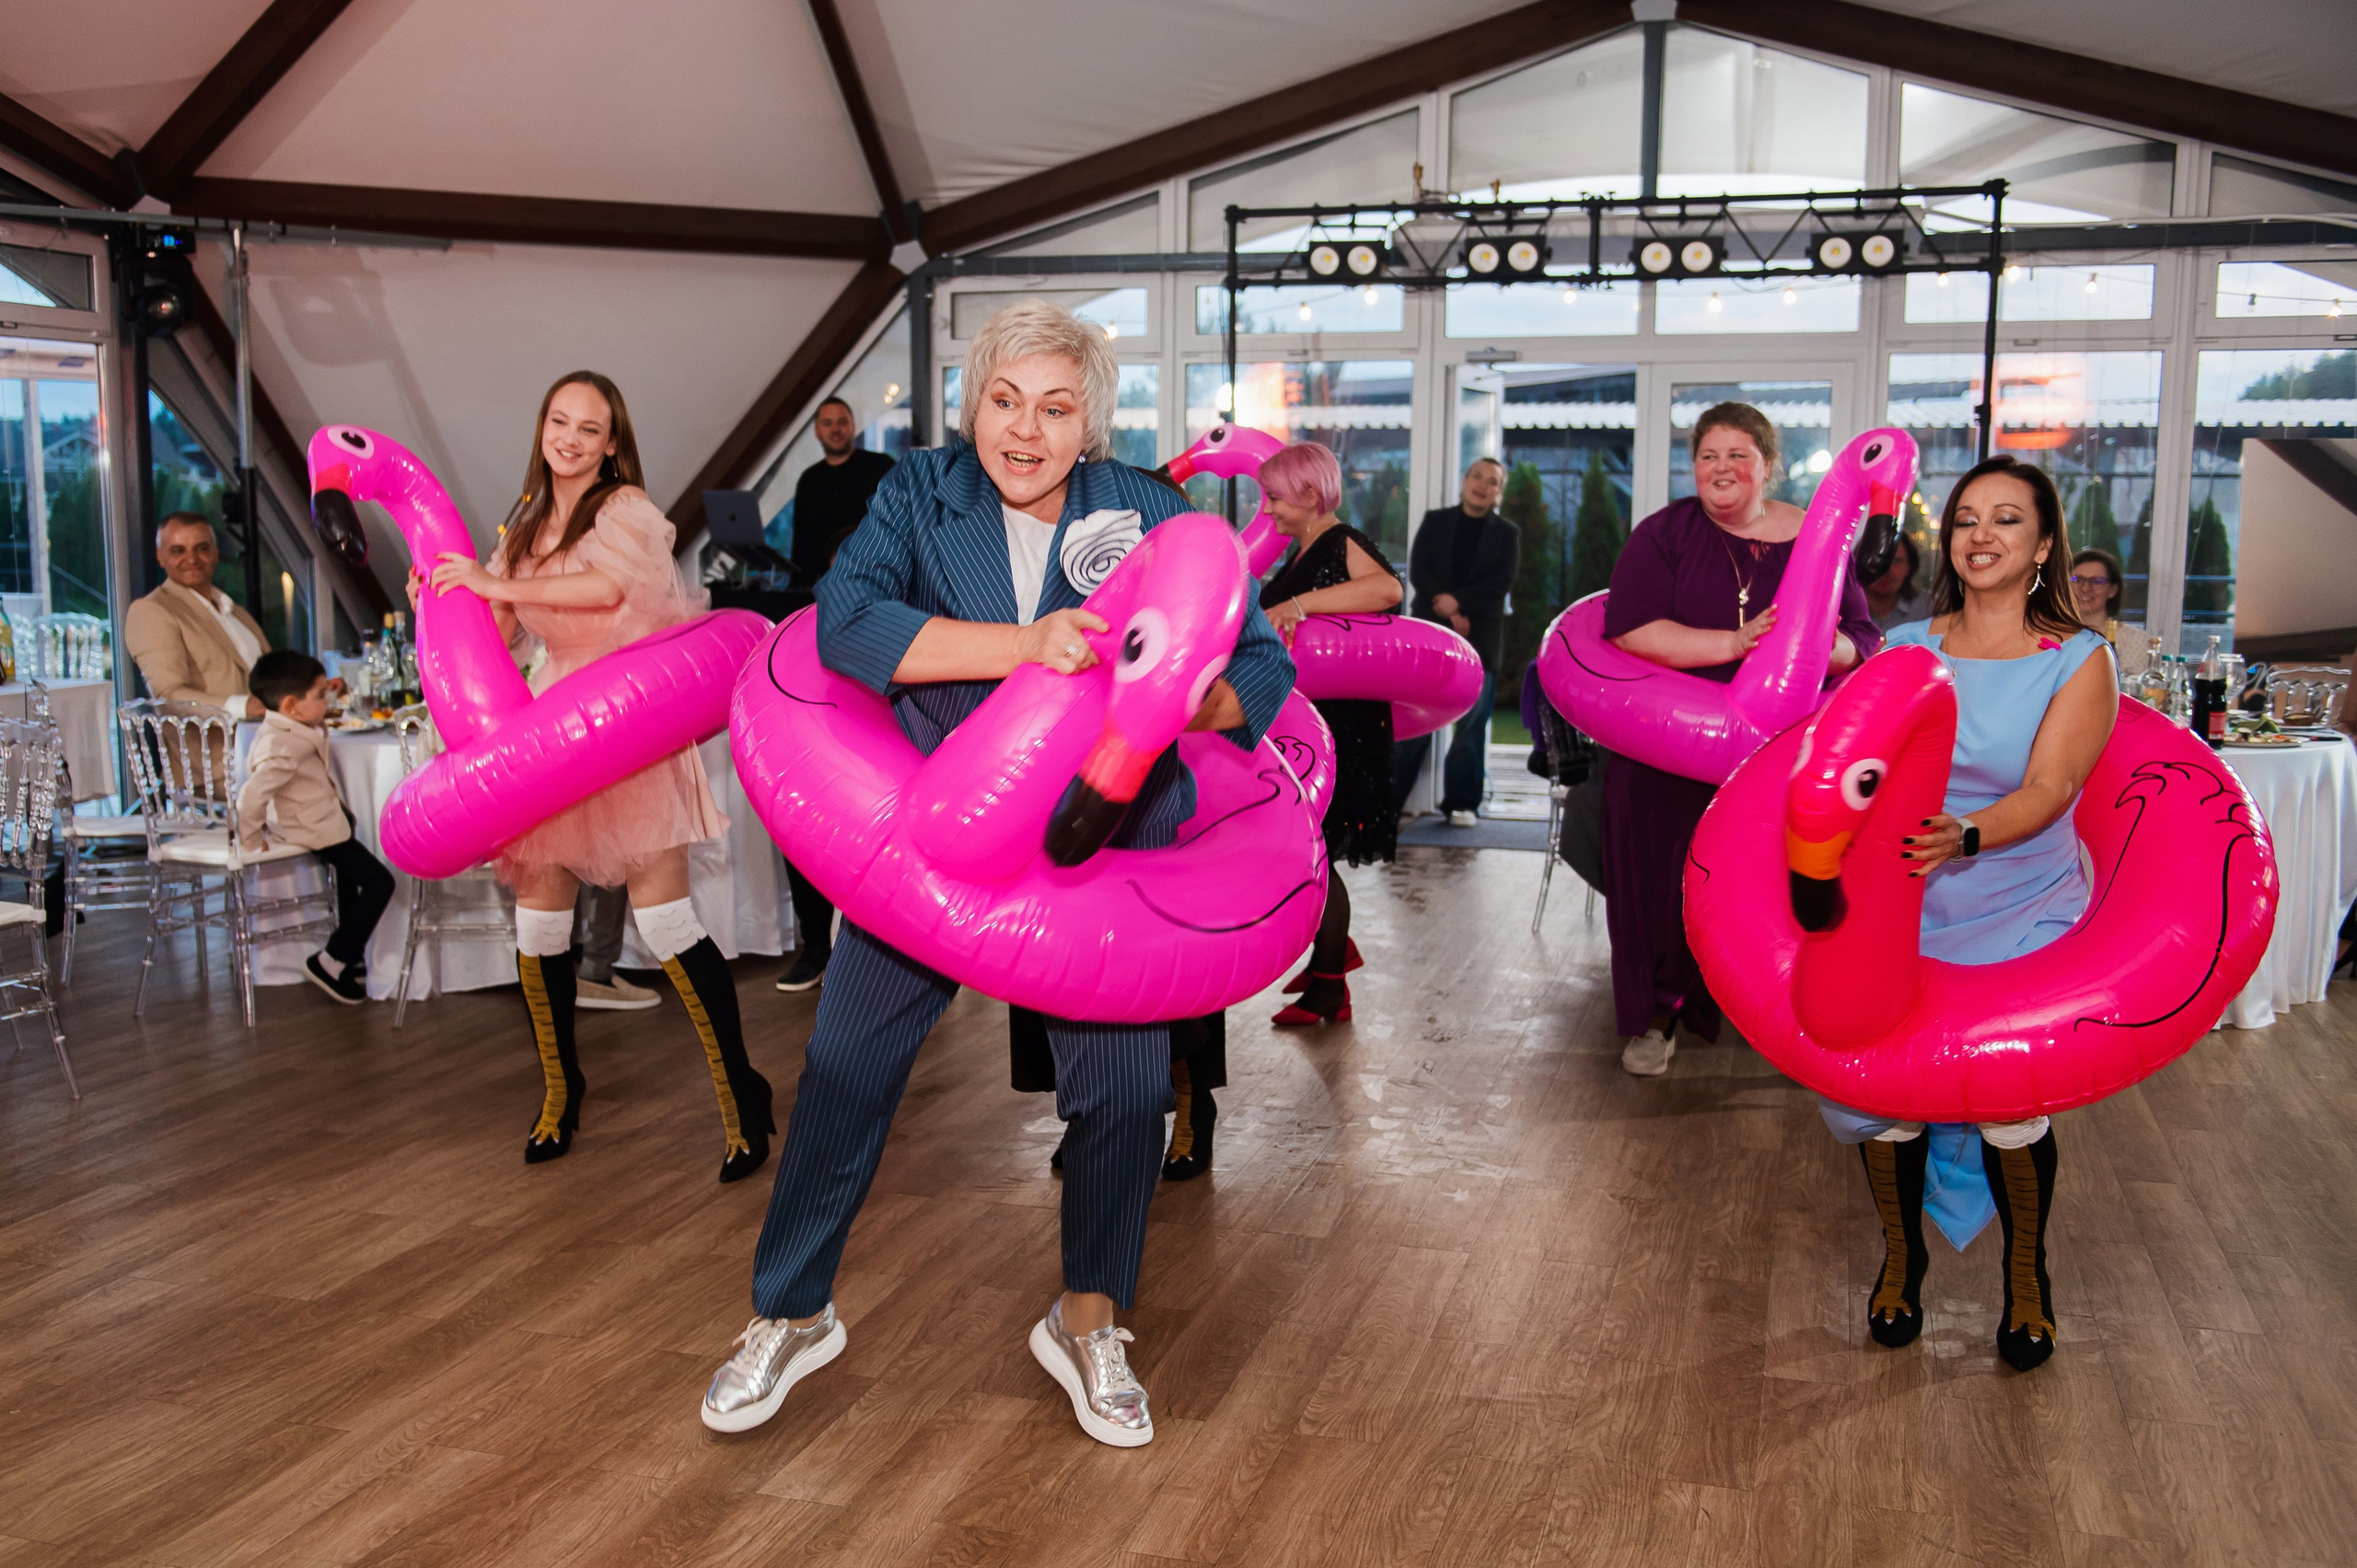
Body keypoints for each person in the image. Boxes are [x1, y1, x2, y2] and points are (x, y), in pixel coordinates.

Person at [700, 300, 1293, 1446]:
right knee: (844, 1065)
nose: (1024, 430)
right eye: (1004, 400)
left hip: (1101, 853)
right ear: (974, 403)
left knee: (1124, 1097)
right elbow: (848, 622)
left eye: (1055, 407)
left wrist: (1180, 692)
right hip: (938, 843)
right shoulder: (921, 491)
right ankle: (789, 1310)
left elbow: (1257, 665)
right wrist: (1026, 647)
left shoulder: (1155, 511)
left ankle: (1086, 1318)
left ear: (1092, 425)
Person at [422, 370, 769, 1182]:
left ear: (613, 442)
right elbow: (498, 634)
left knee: (668, 922)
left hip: (626, 727)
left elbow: (607, 588)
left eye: (590, 427)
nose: (570, 438)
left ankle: (741, 1096)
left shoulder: (628, 511)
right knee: (539, 924)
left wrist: (494, 579)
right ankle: (559, 1091)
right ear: (542, 425)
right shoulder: (524, 519)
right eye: (559, 421)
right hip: (547, 731)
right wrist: (445, 599)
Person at [1823, 455, 2116, 1374]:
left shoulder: (2080, 657)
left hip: (2020, 897)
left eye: (2006, 520)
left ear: (2041, 546)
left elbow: (2053, 785)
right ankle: (1900, 1259)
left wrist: (1968, 834)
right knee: (1888, 1096)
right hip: (1906, 898)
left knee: (2006, 1111)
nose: (1980, 535)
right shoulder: (1910, 645)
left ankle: (2025, 1276)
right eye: (1964, 519)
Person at [1603, 404, 1880, 1076]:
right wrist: (1732, 643)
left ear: (1767, 464)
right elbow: (1629, 628)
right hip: (1671, 749)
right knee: (1668, 880)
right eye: (1707, 455)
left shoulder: (1818, 538)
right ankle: (1662, 1009)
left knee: (1772, 881)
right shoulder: (1662, 534)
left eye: (1738, 455)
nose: (1720, 468)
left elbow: (1862, 639)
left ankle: (1780, 1007)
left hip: (1779, 751)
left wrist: (1817, 643)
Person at [1259, 439, 1403, 1028]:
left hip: (1345, 727)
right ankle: (1331, 955)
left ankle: (1329, 987)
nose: (1266, 511)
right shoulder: (1305, 551)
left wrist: (1299, 603)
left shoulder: (1342, 544)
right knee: (1310, 850)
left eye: (1274, 499)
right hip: (1315, 723)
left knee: (1315, 853)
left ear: (1312, 495)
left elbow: (1389, 591)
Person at [772, 400, 892, 995]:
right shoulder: (811, 483)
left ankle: (890, 956)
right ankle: (815, 946)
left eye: (842, 419)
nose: (835, 428)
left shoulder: (883, 471)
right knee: (800, 825)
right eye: (825, 421)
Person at [238, 649, 397, 1005]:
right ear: (292, 705)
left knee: (348, 874)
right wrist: (249, 840)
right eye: (320, 695)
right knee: (379, 882)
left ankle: (349, 953)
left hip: (323, 821)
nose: (326, 701)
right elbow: (251, 797)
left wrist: (330, 690)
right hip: (312, 828)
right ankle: (332, 959)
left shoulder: (288, 723)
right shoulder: (282, 745)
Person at [1393, 459, 1517, 826]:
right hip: (1430, 634)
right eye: (1476, 476)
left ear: (1499, 492)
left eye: (1492, 481)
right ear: (1464, 481)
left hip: (1480, 638)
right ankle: (1389, 802)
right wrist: (1448, 611)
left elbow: (1500, 584)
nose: (1482, 485)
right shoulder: (1436, 521)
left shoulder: (1507, 534)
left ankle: (1462, 803)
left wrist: (1459, 603)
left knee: (1471, 726)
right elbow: (1420, 571)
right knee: (1414, 720)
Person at [125, 512, 273, 718]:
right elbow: (167, 696)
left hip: (270, 739)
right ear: (161, 557)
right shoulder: (151, 610)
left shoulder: (235, 611)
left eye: (202, 548)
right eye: (178, 551)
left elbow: (277, 678)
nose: (192, 559)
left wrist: (315, 688)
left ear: (215, 552)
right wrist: (243, 707)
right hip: (215, 747)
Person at [1865, 531, 1929, 631]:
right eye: (1877, 560)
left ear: (1909, 567)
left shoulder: (1927, 608)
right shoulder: (1840, 607)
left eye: (1896, 561)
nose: (1886, 570)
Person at [2069, 547, 2125, 643]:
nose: (2085, 588)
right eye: (2078, 580)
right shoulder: (2050, 635)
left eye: (2097, 581)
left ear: (2112, 590)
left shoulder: (2133, 640)